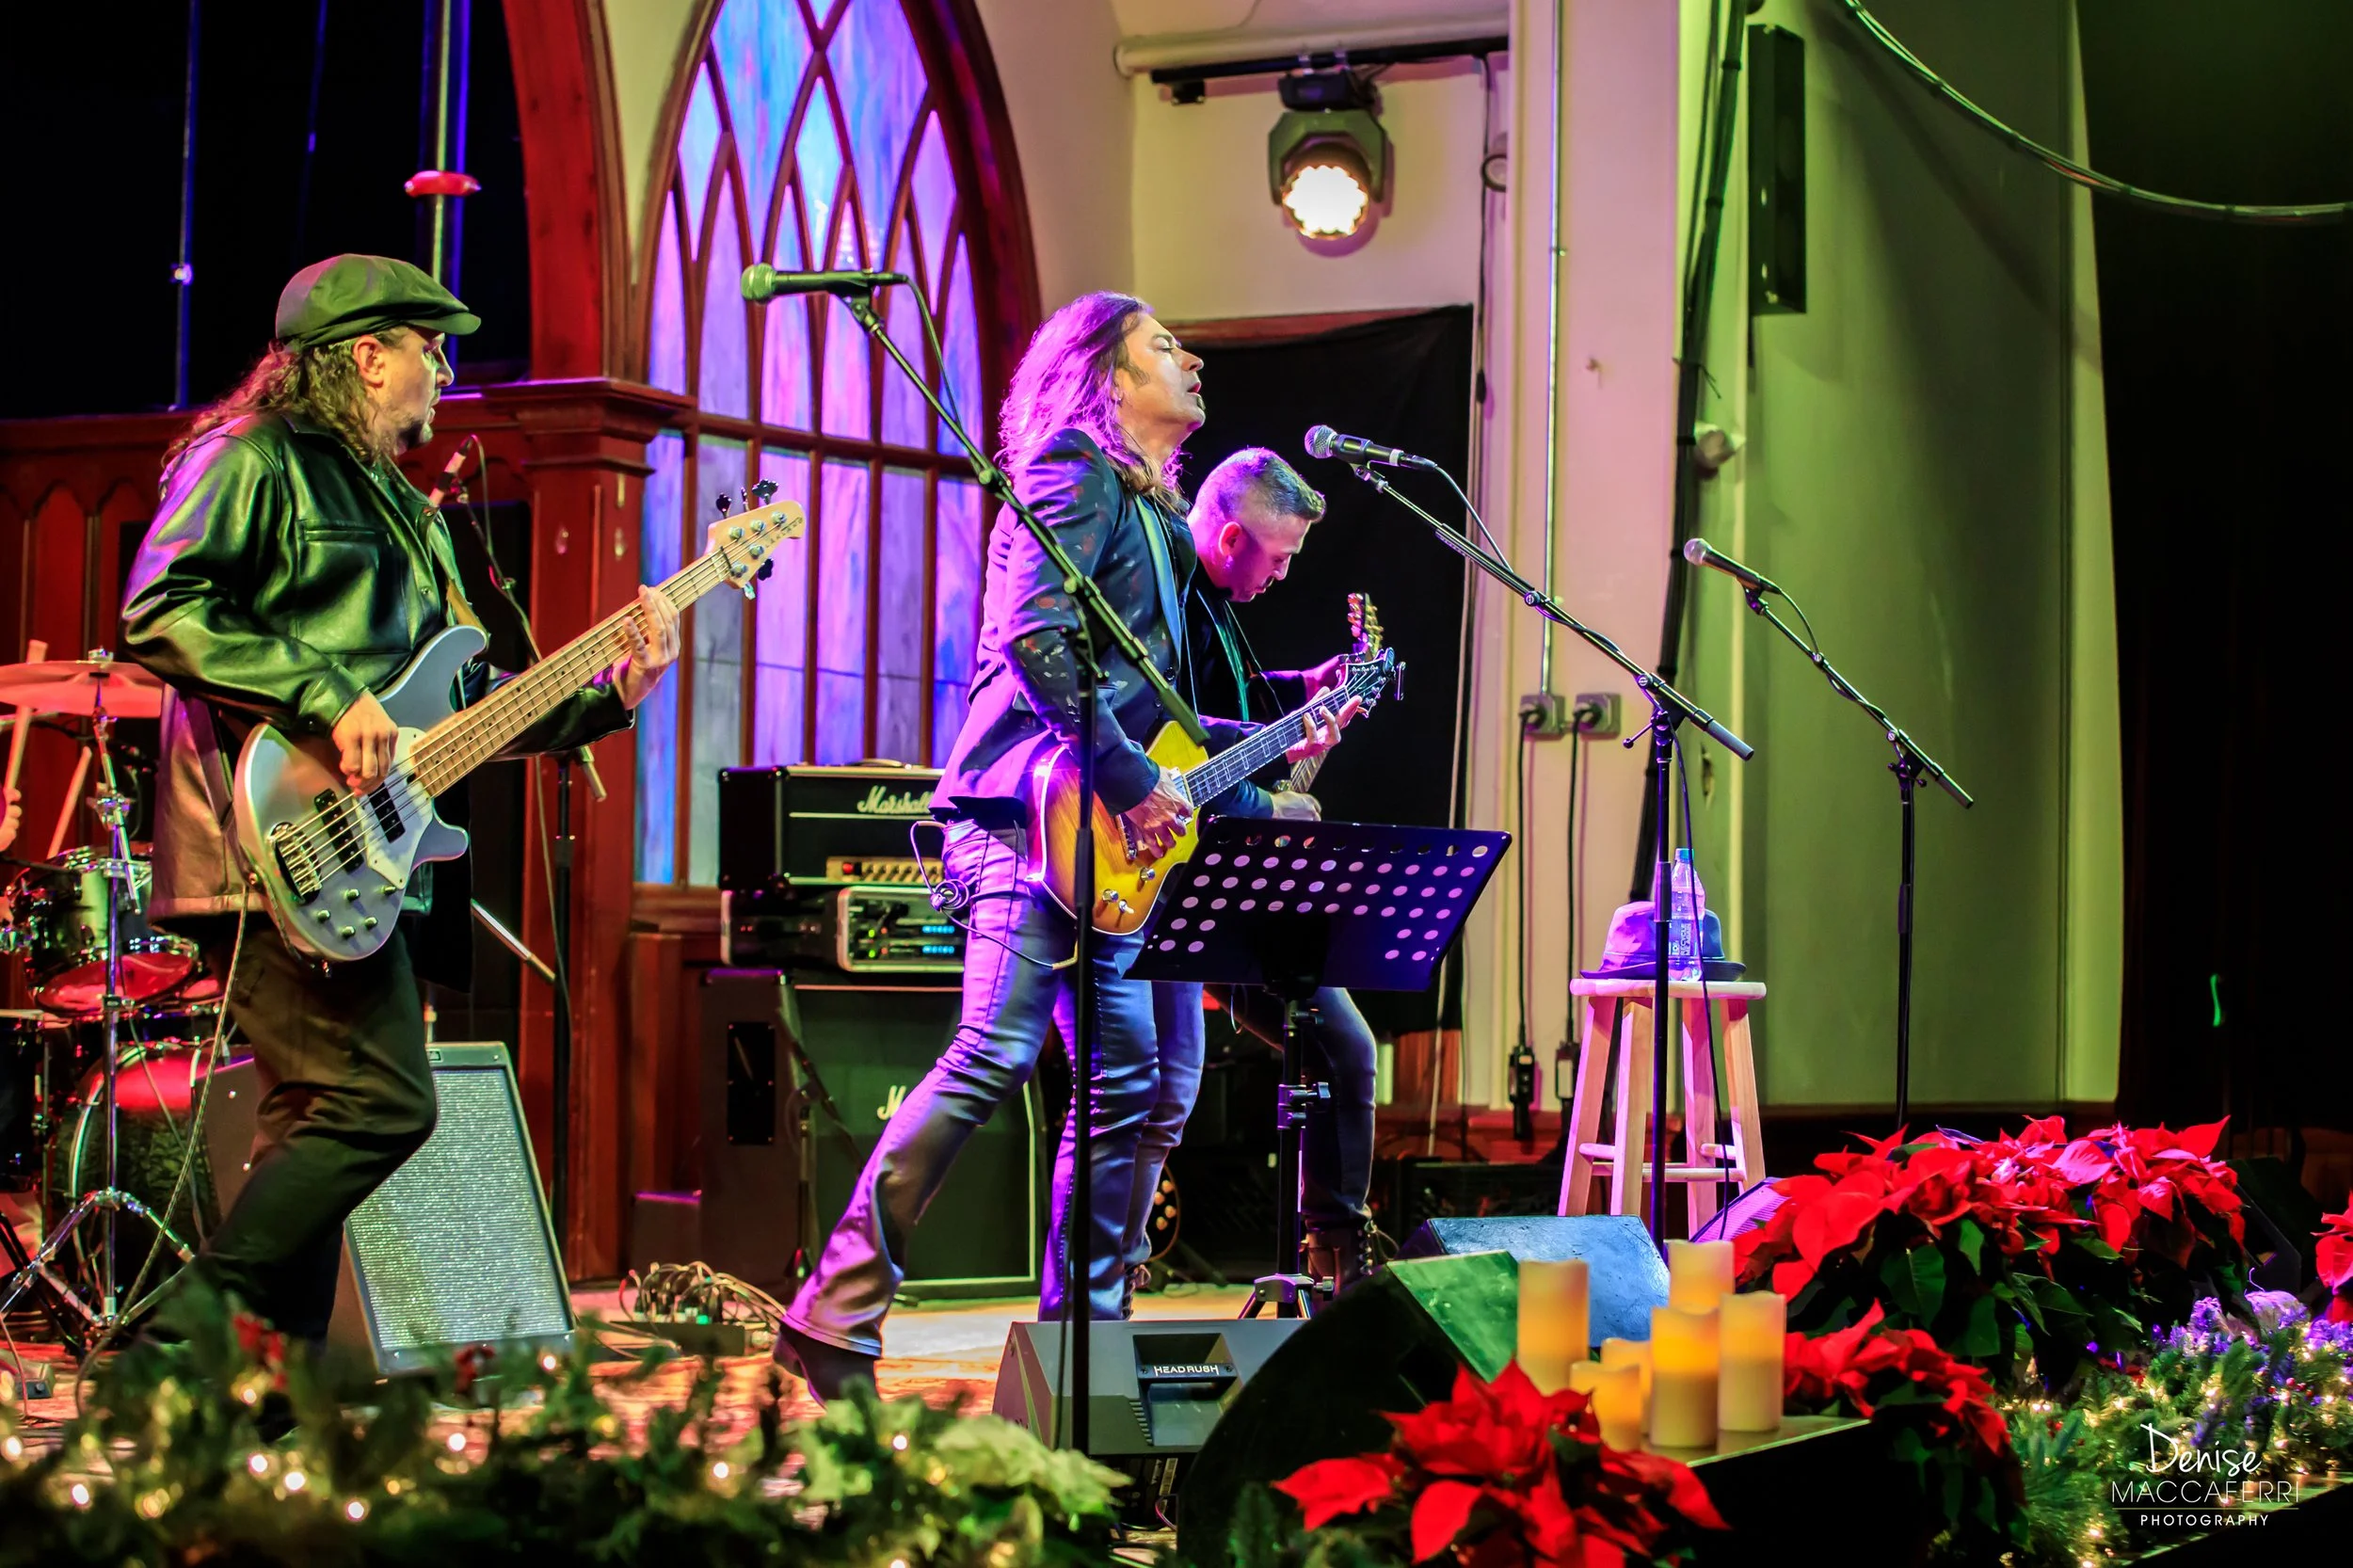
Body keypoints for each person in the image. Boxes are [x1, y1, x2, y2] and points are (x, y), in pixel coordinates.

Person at [774, 294, 1356, 1399]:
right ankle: (832, 1312)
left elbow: (1153, 709)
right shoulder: (1069, 467)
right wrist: (1133, 783)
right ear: (1103, 374)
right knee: (992, 1053)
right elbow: (1034, 640)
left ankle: (1082, 1349)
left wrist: (1277, 728)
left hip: (1096, 833)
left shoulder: (1144, 507)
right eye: (1161, 345)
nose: (1189, 355)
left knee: (1132, 1084)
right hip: (1020, 819)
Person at [120, 254, 684, 1343]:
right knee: (384, 1101)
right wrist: (329, 697)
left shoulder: (414, 515)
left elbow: (467, 703)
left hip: (358, 857)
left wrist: (610, 691)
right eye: (429, 347)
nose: (442, 367)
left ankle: (252, 1396)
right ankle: (174, 1340)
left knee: (315, 1116)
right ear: (367, 355)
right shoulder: (252, 457)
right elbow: (162, 607)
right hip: (265, 840)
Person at [1130, 449, 1384, 1299]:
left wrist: (1307, 691)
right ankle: (1105, 1284)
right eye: (1276, 558)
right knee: (1160, 1089)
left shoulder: (1220, 602)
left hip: (1212, 868)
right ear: (1232, 535)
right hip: (1156, 869)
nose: (1281, 576)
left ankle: (1336, 1253)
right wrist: (1264, 801)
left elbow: (1219, 713)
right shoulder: (1165, 593)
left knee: (1339, 1043)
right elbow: (1158, 735)